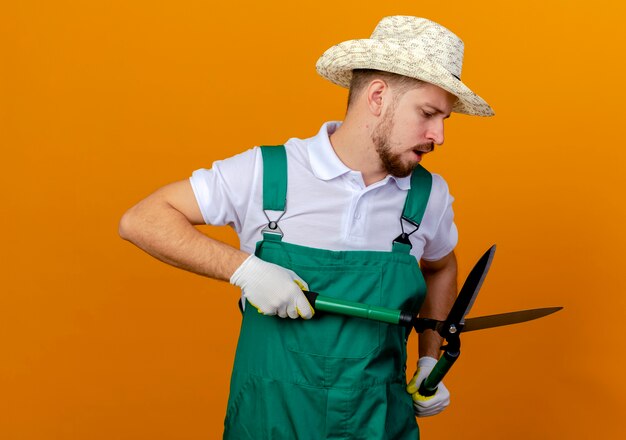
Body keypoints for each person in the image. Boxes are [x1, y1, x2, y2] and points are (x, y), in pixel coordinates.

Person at [119, 15, 493, 439]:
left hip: (378, 424)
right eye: (428, 113)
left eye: (444, 119)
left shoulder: (428, 196)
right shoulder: (268, 174)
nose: (439, 135)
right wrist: (247, 270)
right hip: (269, 423)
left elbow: (441, 267)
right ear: (377, 96)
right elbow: (142, 220)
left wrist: (429, 358)